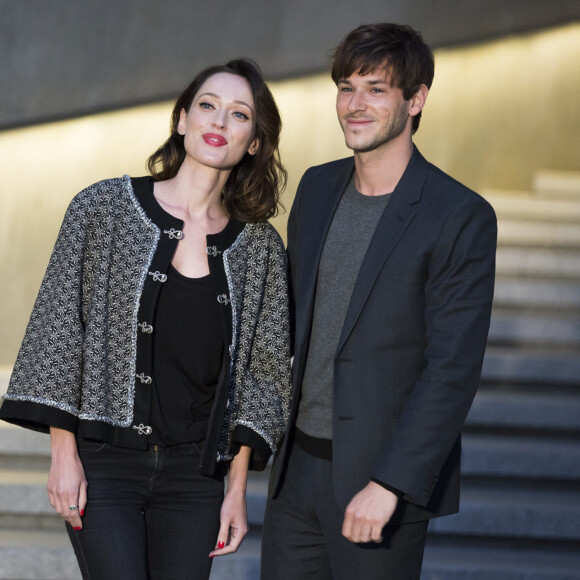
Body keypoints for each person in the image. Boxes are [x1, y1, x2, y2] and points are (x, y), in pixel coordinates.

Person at [0, 58, 291, 580]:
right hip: (104, 463)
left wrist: (237, 490)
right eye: (207, 106)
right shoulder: (102, 209)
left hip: (195, 478)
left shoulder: (260, 248)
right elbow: (59, 330)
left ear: (254, 142)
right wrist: (63, 455)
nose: (219, 122)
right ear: (182, 120)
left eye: (239, 114)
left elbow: (265, 376)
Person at [261, 23, 497, 579]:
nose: (354, 105)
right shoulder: (316, 189)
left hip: (377, 481)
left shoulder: (458, 215)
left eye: (376, 88)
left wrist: (390, 483)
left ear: (416, 100)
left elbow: (452, 369)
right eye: (346, 87)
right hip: (295, 476)